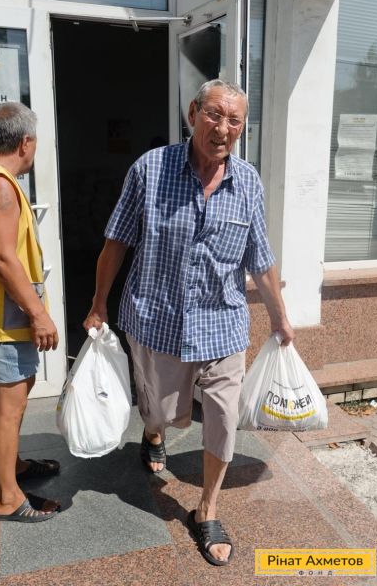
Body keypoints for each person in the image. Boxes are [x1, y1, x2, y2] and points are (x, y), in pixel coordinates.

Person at [84, 79, 294, 565]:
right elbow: (116, 242)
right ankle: (153, 432)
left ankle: (208, 508)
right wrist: (98, 303)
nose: (223, 128)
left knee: (222, 416)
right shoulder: (150, 170)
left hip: (223, 324)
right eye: (214, 115)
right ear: (193, 112)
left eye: (235, 120)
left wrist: (280, 318)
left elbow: (261, 259)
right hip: (157, 320)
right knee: (161, 410)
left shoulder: (248, 182)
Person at [0, 102, 61, 523]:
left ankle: (13, 467)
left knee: (17, 394)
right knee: (8, 406)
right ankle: (7, 498)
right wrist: (38, 314)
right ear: (26, 142)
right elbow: (2, 257)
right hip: (4, 319)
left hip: (1, 315)